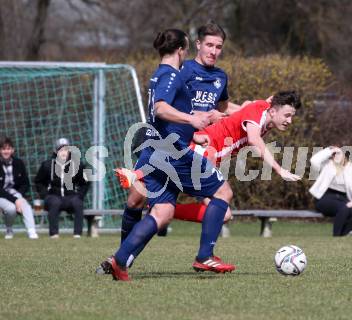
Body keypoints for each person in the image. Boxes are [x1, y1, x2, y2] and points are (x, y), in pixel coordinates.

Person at [106, 28, 235, 281]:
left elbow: (166, 114)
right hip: (172, 151)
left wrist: (192, 132)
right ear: (182, 49)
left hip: (160, 149)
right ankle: (204, 256)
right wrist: (193, 119)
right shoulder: (172, 75)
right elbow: (161, 108)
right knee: (224, 192)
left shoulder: (161, 74)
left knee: (163, 212)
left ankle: (119, 261)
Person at [116, 91, 302, 224]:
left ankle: (149, 196)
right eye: (287, 115)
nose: (289, 121)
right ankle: (139, 178)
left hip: (206, 153)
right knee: (221, 211)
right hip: (204, 149)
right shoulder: (258, 112)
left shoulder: (265, 113)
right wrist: (279, 169)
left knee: (223, 214)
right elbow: (253, 138)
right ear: (272, 111)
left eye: (292, 116)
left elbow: (251, 106)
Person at [34, 138, 90, 238]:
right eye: (60, 150)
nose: (63, 152)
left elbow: (85, 183)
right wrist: (45, 195)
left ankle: (77, 234)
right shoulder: (47, 165)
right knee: (55, 202)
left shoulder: (78, 165)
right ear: (56, 151)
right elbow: (38, 182)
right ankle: (54, 234)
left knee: (78, 203)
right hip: (53, 196)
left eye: (66, 149)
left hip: (70, 196)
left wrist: (80, 195)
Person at [310, 146, 352, 236]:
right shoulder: (326, 165)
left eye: (339, 153)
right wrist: (329, 150)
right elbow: (314, 160)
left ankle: (342, 235)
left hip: (343, 199)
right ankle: (336, 236)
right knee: (343, 208)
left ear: (344, 155)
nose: (337, 155)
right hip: (324, 197)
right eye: (334, 154)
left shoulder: (349, 168)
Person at [0, 137, 38, 239]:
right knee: (11, 209)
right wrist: (15, 200)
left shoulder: (19, 163)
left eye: (8, 149)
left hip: (15, 193)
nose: (6, 151)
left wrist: (19, 196)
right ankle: (9, 229)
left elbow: (25, 183)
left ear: (12, 150)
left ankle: (32, 231)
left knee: (26, 206)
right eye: (3, 149)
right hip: (1, 194)